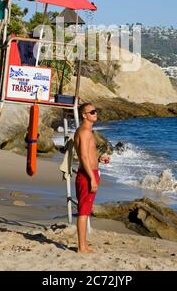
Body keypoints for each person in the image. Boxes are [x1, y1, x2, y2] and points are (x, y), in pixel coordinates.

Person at [74, 102, 110, 253]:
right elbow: (82, 156)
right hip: (87, 175)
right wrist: (92, 178)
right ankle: (82, 247)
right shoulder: (85, 132)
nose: (95, 113)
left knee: (86, 210)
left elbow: (88, 154)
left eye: (96, 111)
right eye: (92, 112)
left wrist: (99, 159)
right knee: (83, 212)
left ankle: (84, 244)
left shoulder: (85, 131)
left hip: (89, 173)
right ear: (84, 115)